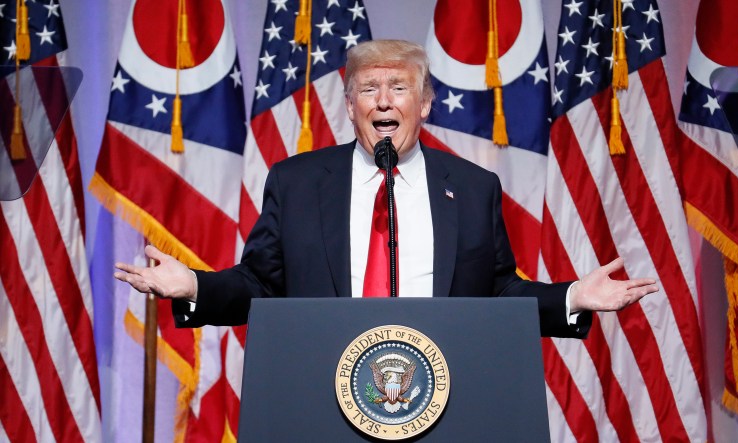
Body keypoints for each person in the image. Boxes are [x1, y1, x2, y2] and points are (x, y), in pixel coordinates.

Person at [115, 40, 658, 338]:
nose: (382, 101)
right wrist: (195, 287)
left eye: (398, 87)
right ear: (349, 106)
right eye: (368, 89)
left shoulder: (472, 188)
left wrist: (570, 297)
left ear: (422, 106)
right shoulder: (297, 182)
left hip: (445, 391)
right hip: (324, 390)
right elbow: (260, 284)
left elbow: (496, 292)